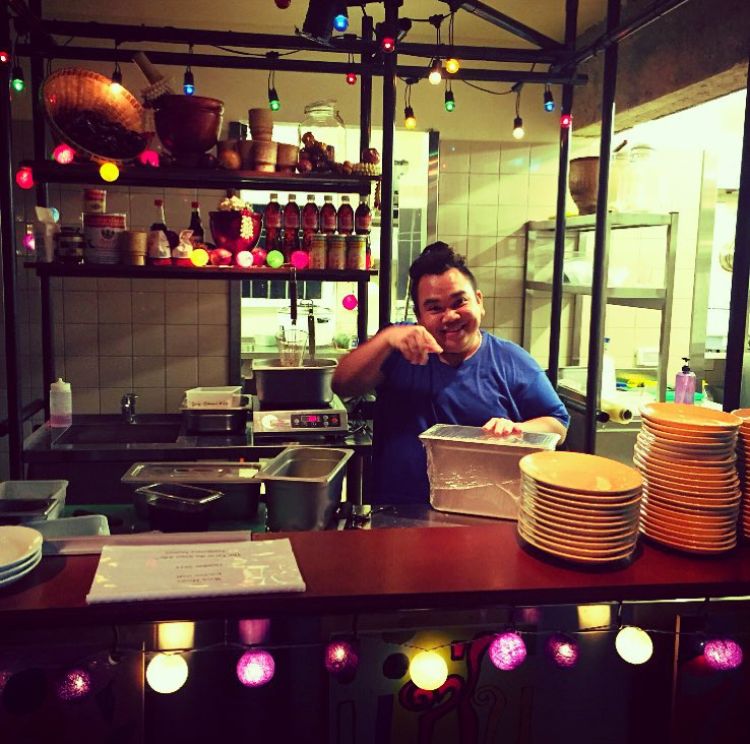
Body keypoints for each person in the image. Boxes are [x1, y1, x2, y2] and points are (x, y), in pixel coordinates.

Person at [332, 242, 569, 504]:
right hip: (396, 511)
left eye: (459, 302)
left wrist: (518, 430)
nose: (450, 316)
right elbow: (342, 384)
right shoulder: (400, 349)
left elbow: (558, 424)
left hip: (481, 512)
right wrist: (386, 338)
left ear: (479, 301)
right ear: (419, 316)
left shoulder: (511, 360)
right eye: (435, 308)